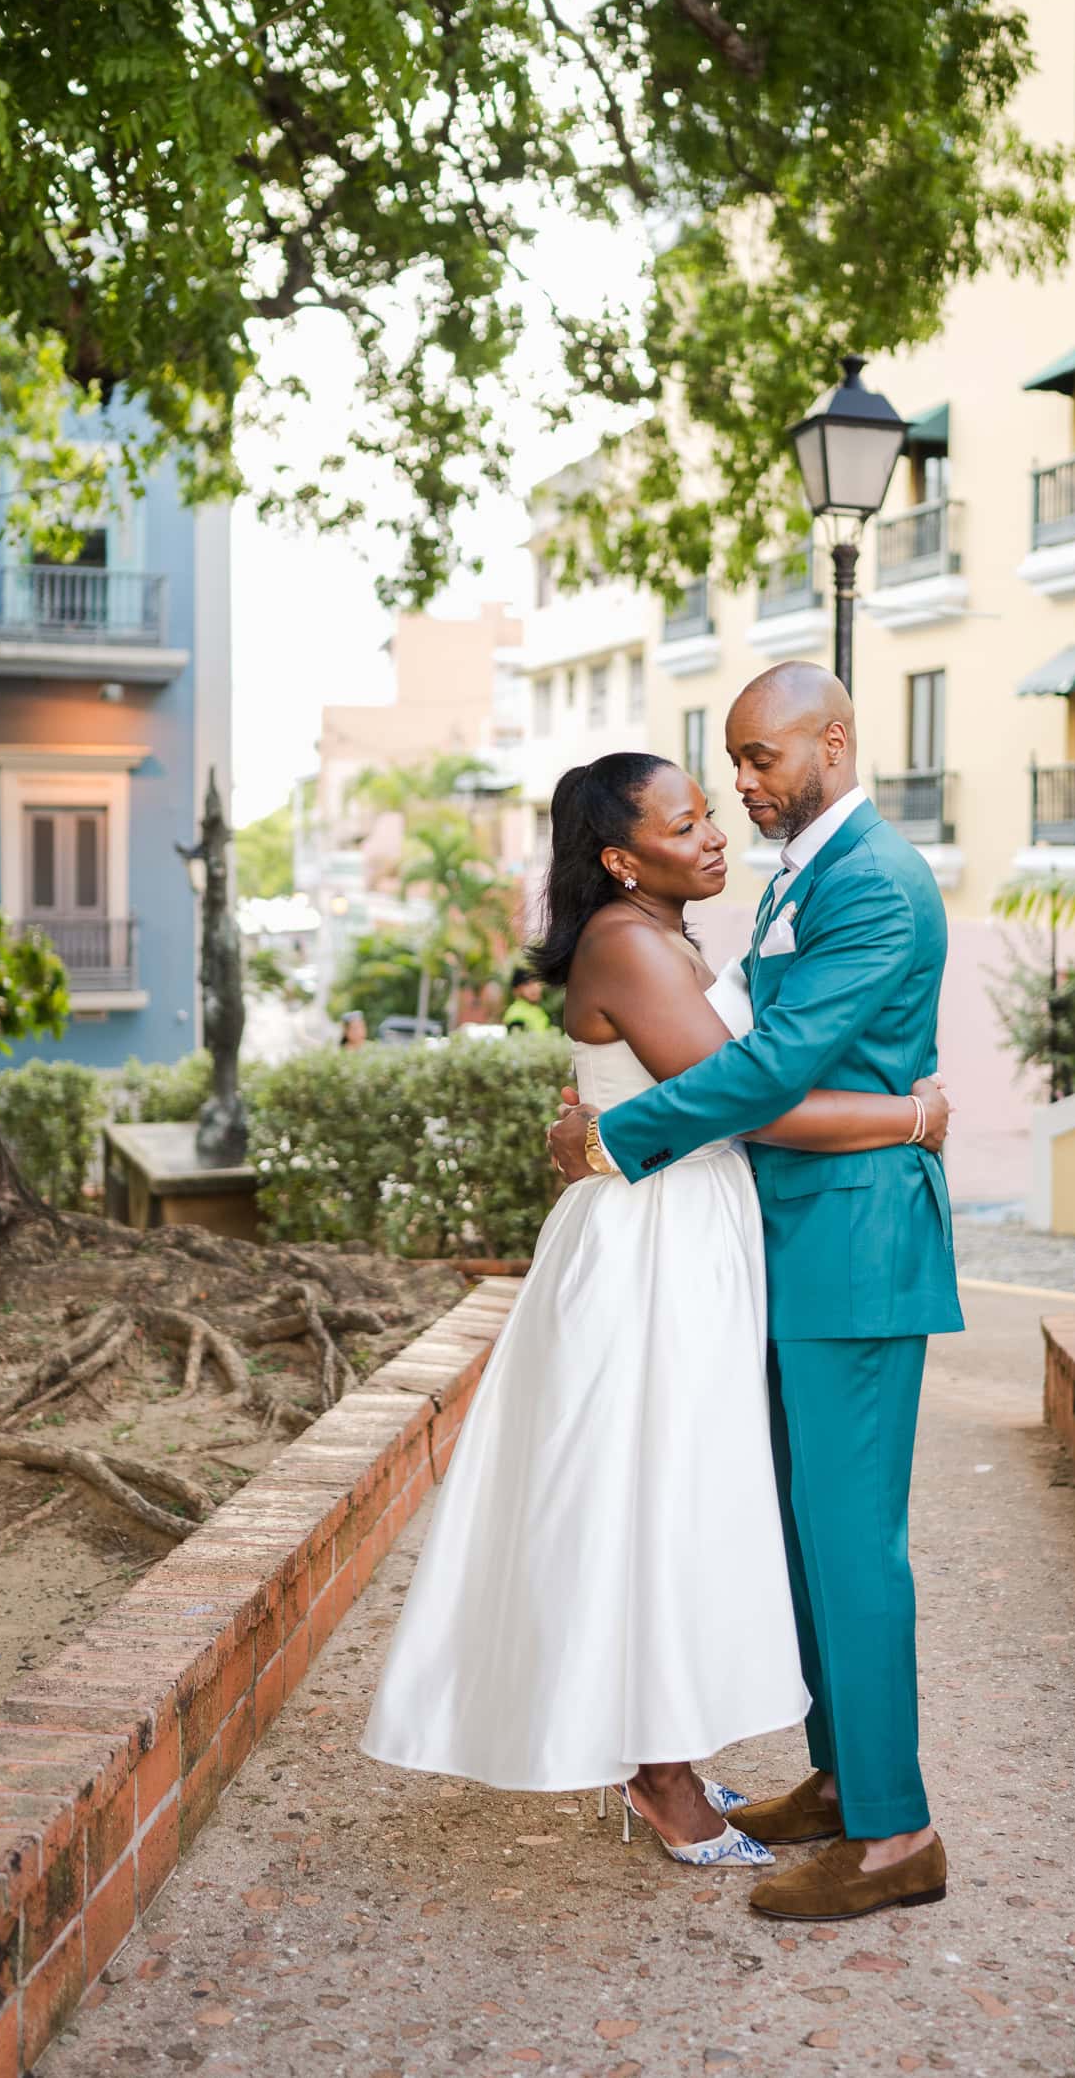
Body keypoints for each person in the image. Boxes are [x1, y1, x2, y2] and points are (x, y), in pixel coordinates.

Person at [359, 745, 949, 1869]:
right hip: (651, 1248)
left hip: (686, 1230)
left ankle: (659, 1739)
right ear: (624, 860)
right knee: (644, 1491)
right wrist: (908, 1117)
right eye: (685, 826)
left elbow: (704, 1085)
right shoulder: (631, 945)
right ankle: (657, 1776)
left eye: (712, 811)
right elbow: (755, 1098)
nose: (716, 833)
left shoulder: (660, 934)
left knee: (677, 1490)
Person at [547, 663, 964, 1923]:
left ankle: (897, 1841)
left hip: (855, 1253)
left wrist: (619, 1136)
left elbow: (771, 1070)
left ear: (832, 741)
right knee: (804, 1540)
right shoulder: (809, 871)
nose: (741, 784)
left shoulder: (878, 884)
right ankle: (844, 1783)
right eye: (729, 764)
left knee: (852, 1545)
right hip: (784, 1248)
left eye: (760, 759)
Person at [502, 966, 553, 1034]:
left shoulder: (537, 1010)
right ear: (516, 990)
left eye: (536, 981)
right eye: (527, 984)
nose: (535, 987)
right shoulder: (516, 1014)